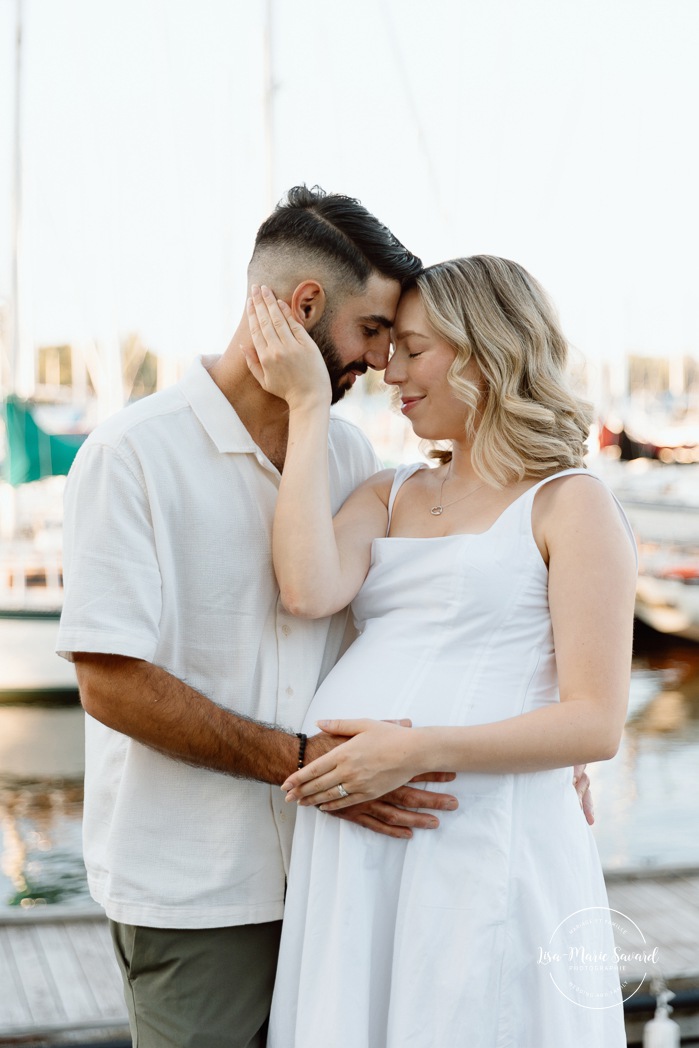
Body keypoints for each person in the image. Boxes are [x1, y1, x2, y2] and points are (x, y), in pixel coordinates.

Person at [56, 186, 466, 1048]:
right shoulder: (131, 455)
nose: (383, 361)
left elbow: (401, 632)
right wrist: (305, 765)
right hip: (196, 890)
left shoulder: (349, 456)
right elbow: (111, 684)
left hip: (336, 875)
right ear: (304, 308)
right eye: (371, 331)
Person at [244, 256, 637, 1048]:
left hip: (479, 832)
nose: (390, 370)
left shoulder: (569, 503)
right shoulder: (389, 494)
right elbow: (305, 589)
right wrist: (310, 407)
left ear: (484, 352)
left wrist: (412, 751)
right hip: (356, 839)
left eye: (413, 350)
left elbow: (595, 724)